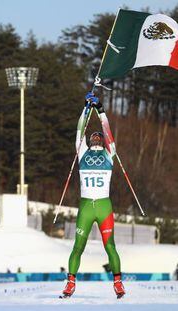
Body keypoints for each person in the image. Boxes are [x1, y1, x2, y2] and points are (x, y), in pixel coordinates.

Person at [61, 92, 125, 299]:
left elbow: (109, 133)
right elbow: (80, 130)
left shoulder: (109, 154)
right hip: (87, 206)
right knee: (78, 247)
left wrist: (101, 110)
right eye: (94, 136)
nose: (97, 137)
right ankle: (70, 282)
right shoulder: (82, 152)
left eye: (99, 137)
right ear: (90, 141)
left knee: (110, 246)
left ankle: (118, 282)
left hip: (104, 206)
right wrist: (86, 109)